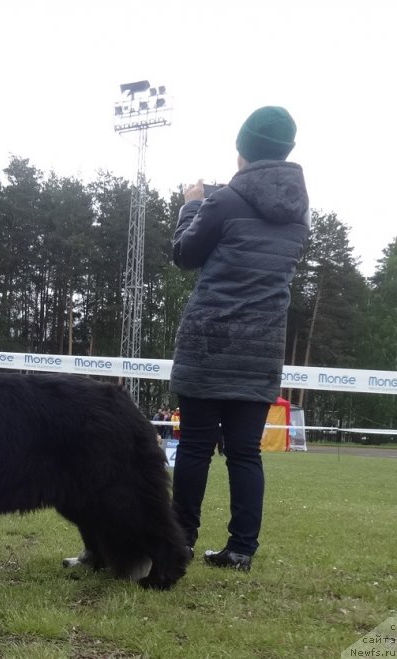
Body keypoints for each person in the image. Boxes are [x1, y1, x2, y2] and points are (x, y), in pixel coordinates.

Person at [169, 106, 309, 572]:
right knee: (245, 454)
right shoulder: (299, 210)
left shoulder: (224, 200)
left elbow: (185, 255)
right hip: (262, 348)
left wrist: (191, 204)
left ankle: (179, 541)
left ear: (243, 151)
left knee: (194, 448)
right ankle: (241, 550)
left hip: (210, 343)